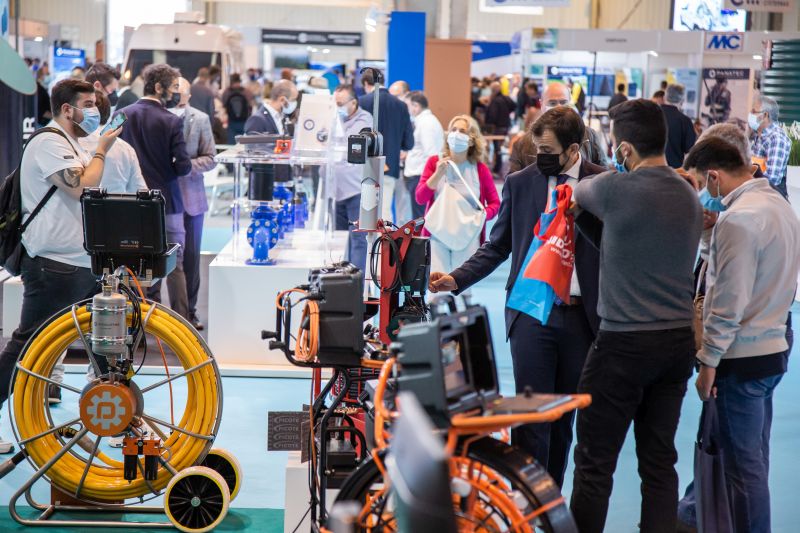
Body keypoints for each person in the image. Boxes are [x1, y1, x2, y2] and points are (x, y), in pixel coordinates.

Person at [428, 108, 605, 486]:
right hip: (529, 313)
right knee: (529, 419)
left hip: (582, 318)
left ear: (574, 150)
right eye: (537, 148)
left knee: (562, 422)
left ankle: (548, 501)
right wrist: (456, 279)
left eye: (548, 151)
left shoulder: (603, 183)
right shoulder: (521, 183)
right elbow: (498, 246)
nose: (540, 156)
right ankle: (523, 499)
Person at [569, 99, 703, 533]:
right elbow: (622, 243)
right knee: (659, 462)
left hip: (623, 345)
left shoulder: (613, 188)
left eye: (615, 146)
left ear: (624, 149)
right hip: (676, 343)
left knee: (594, 462)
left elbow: (579, 191)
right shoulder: (687, 193)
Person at [684, 137, 800, 533]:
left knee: (742, 472)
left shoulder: (738, 220)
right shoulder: (778, 206)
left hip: (741, 357)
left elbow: (727, 301)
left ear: (713, 176)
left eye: (700, 183)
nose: (702, 194)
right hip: (773, 348)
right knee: (753, 462)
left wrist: (707, 362)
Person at [0, 79, 122, 450]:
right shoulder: (48, 143)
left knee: (105, 342)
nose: (94, 110)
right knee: (27, 347)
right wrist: (102, 151)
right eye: (88, 104)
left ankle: (117, 417)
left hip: (81, 262)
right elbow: (79, 186)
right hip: (53, 264)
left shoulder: (70, 143)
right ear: (67, 109)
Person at [116, 64, 192, 318]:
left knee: (133, 267)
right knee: (175, 264)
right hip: (167, 202)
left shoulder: (122, 114)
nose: (175, 93)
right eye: (173, 87)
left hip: (130, 203)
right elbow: (183, 166)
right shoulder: (172, 121)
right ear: (159, 87)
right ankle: (182, 323)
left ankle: (134, 323)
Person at [416, 115, 500, 276]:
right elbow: (420, 198)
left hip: (467, 235)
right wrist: (437, 174)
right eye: (453, 130)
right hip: (437, 233)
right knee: (436, 281)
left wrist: (483, 215)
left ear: (471, 140)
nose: (456, 134)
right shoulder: (434, 162)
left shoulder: (479, 169)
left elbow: (495, 203)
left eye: (462, 131)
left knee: (462, 281)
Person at [171, 78, 216, 330]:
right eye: (173, 90)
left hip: (191, 199)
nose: (176, 94)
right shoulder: (158, 117)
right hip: (163, 198)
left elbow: (211, 158)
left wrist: (185, 167)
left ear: (188, 94)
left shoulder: (200, 119)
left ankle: (190, 311)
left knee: (190, 259)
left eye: (180, 90)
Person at [359, 70, 414, 222]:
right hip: (390, 166)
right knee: (384, 211)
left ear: (366, 83)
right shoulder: (401, 105)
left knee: (365, 213)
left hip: (365, 166)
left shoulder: (362, 102)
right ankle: (386, 238)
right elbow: (409, 142)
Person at [333, 85, 373, 272]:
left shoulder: (364, 120)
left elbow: (349, 143)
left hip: (355, 189)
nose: (337, 107)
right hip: (335, 189)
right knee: (339, 238)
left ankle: (356, 280)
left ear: (354, 103)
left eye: (340, 103)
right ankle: (338, 277)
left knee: (358, 238)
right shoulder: (336, 118)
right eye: (334, 103)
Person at [243, 79, 298, 200]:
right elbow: (251, 157)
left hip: (284, 184)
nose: (295, 104)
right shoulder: (257, 119)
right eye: (293, 99)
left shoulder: (282, 118)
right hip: (265, 187)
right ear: (282, 100)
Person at [542, 82, 608, 167]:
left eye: (563, 102)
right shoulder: (529, 140)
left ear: (570, 104)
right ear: (541, 104)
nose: (558, 107)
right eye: (552, 103)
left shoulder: (588, 135)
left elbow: (603, 170)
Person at [404, 91, 444, 220]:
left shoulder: (426, 123)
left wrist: (429, 179)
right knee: (419, 217)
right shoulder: (423, 121)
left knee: (420, 219)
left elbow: (431, 154)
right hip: (419, 176)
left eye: (407, 106)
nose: (406, 109)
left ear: (416, 106)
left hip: (421, 176)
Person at [750, 94, 791, 198]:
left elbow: (772, 179)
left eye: (753, 112)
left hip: (769, 199)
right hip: (756, 194)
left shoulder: (777, 139)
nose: (750, 115)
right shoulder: (759, 136)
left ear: (765, 115)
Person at [484, 81, 516, 176]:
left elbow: (493, 115)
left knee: (497, 149)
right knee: (500, 149)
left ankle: (497, 169)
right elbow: (514, 106)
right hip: (505, 125)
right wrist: (507, 113)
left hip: (497, 127)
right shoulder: (506, 98)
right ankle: (499, 168)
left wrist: (488, 124)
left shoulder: (495, 100)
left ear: (493, 90)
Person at [662, 84, 697, 169]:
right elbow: (690, 150)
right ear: (682, 100)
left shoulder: (651, 115)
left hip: (649, 170)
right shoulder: (685, 121)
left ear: (665, 97)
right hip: (674, 171)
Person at [222, 73, 253, 144]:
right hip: (244, 121)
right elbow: (250, 105)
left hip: (231, 121)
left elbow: (224, 105)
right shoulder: (246, 92)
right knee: (244, 144)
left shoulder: (226, 92)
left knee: (231, 144)